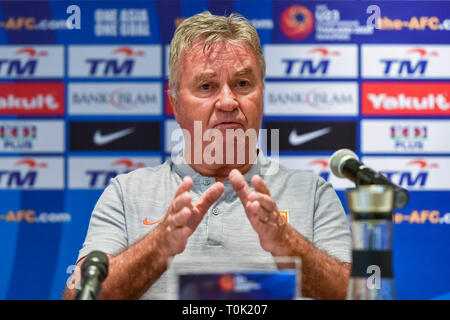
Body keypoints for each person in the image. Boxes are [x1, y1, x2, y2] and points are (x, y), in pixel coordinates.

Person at [63, 11, 351, 300]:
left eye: (242, 84)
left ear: (261, 94)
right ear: (174, 104)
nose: (227, 101)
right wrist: (159, 246)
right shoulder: (126, 194)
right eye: (206, 86)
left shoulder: (313, 194)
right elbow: (76, 295)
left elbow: (361, 294)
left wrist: (289, 246)